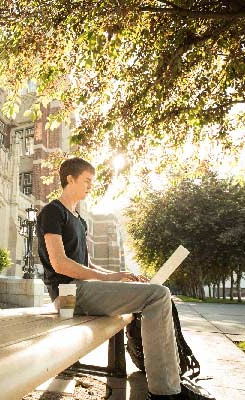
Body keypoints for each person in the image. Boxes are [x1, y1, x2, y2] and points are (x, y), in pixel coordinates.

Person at [36, 157, 184, 400]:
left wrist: (117, 277)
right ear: (69, 179)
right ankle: (165, 392)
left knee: (155, 292)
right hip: (66, 295)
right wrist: (106, 278)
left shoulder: (80, 220)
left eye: (91, 182)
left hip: (81, 288)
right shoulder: (52, 212)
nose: (90, 185)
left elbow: (85, 264)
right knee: (158, 295)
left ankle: (170, 382)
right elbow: (60, 263)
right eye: (86, 180)